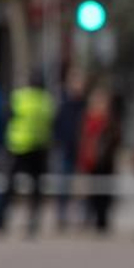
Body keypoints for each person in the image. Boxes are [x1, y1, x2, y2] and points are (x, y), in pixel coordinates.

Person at [1, 70, 55, 237]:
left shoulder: (19, 97)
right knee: (37, 187)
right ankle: (33, 221)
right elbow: (52, 122)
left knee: (10, 183)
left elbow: (8, 117)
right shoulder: (47, 101)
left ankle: (3, 217)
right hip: (39, 147)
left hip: (18, 146)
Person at [78, 85, 123, 234]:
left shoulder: (110, 121)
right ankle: (88, 222)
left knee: (104, 196)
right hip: (90, 163)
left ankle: (102, 223)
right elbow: (82, 141)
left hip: (105, 163)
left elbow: (116, 139)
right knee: (89, 196)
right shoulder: (86, 119)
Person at [52, 69, 88, 231]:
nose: (77, 86)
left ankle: (83, 218)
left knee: (82, 187)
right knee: (63, 185)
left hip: (82, 152)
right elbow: (57, 126)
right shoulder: (63, 104)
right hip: (66, 150)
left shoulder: (85, 105)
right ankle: (62, 216)